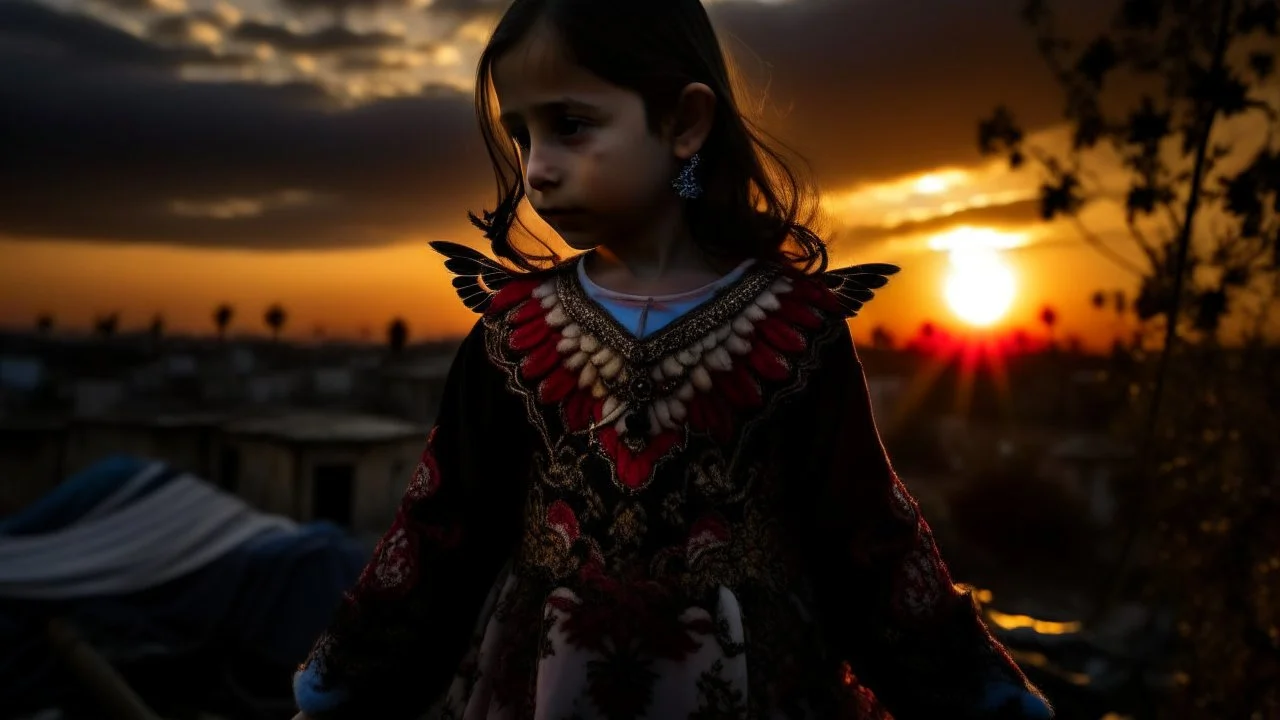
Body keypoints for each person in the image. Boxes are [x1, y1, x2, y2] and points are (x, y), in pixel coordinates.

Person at [291, 0, 1054, 718]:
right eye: (522, 136)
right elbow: (438, 534)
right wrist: (340, 694)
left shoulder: (797, 329)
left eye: (571, 125)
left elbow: (869, 543)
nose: (539, 170)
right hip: (538, 691)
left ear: (686, 123)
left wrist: (980, 697)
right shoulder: (508, 334)